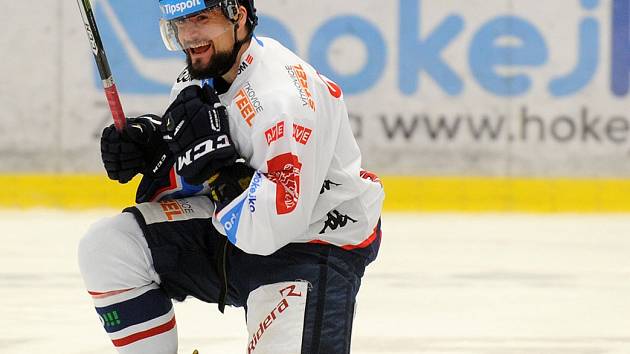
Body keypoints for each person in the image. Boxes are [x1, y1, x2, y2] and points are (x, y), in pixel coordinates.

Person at [78, 0, 384, 353]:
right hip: (236, 232)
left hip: (310, 246)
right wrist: (156, 148)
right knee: (108, 246)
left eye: (202, 18)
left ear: (237, 15)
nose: (189, 35)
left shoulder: (283, 103)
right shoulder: (205, 73)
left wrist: (217, 171)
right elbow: (200, 162)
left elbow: (269, 231)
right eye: (180, 22)